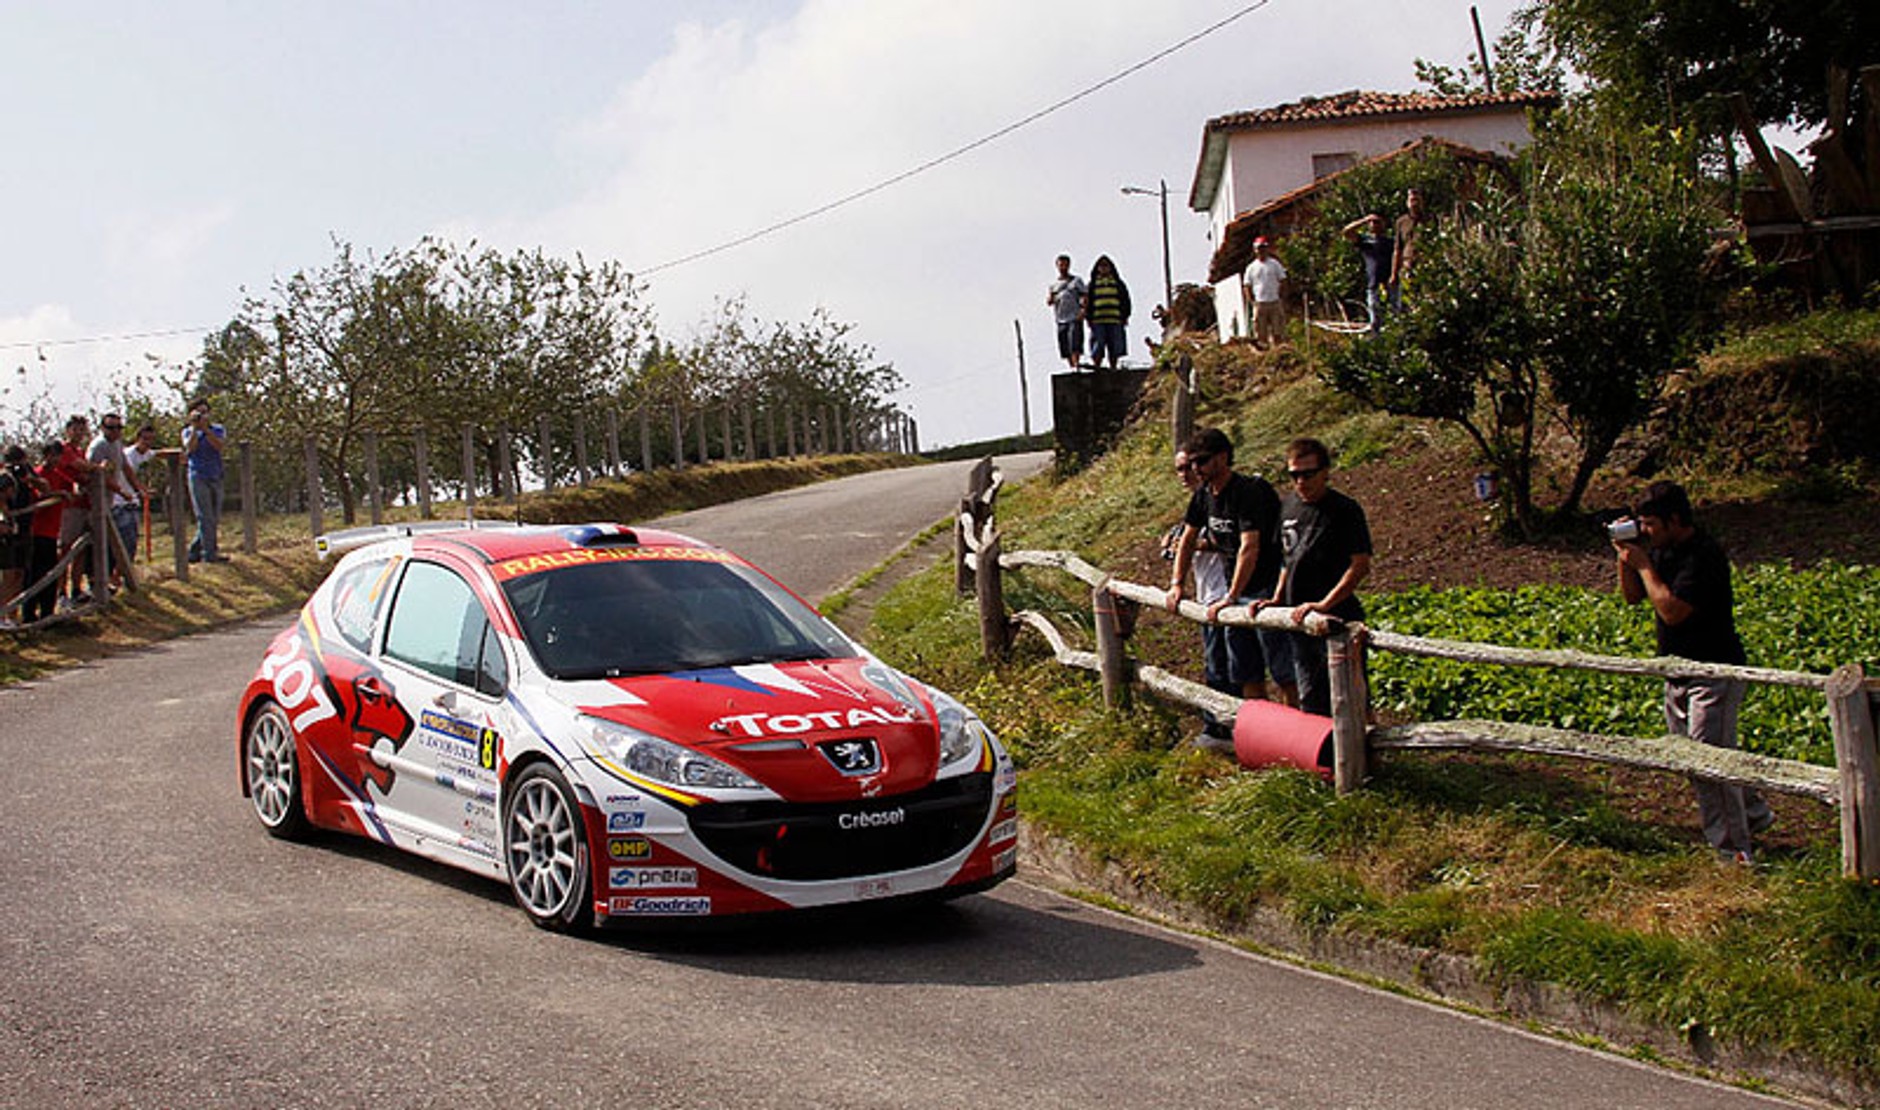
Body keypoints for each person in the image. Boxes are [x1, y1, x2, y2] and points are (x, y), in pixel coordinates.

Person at [1615, 480, 1773, 863]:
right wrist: (1626, 562)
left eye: (1650, 524)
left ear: (1674, 520)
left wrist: (1645, 565)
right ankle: (1754, 814)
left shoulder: (1703, 555)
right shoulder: (1662, 551)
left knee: (1709, 762)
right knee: (1698, 755)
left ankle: (1733, 853)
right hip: (1679, 671)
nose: (1645, 532)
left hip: (1714, 671)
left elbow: (1672, 610)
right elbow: (1635, 598)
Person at [1166, 428, 1293, 721]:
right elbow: (1187, 538)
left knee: (1283, 669)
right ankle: (1265, 733)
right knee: (1246, 671)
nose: (1196, 468)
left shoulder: (1248, 492)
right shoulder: (1204, 496)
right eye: (1193, 462)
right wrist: (1176, 584)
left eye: (1202, 461)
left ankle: (1296, 734)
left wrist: (1232, 595)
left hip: (1266, 586)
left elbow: (1250, 546)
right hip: (1235, 592)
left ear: (1223, 457)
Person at [1255, 437, 1371, 717]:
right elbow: (1287, 560)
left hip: (1338, 619)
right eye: (1294, 475)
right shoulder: (1288, 507)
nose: (1301, 482)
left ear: (1325, 471)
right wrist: (1277, 598)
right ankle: (1322, 758)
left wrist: (1324, 604)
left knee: (1352, 696)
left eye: (1308, 474)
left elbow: (1359, 565)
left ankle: (1364, 757)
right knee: (1311, 697)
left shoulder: (1345, 510)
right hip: (1300, 621)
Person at [88, 413, 140, 588]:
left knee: (118, 541)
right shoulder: (99, 447)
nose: (116, 431)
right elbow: (97, 474)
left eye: (119, 427)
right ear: (102, 428)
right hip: (95, 501)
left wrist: (139, 488)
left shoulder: (117, 444)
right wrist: (122, 492)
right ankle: (99, 584)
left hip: (109, 501)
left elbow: (125, 467)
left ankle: (115, 578)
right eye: (111, 427)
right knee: (101, 544)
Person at [0, 445, 45, 627]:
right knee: (8, 575)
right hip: (7, 535)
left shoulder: (26, 474)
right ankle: (2, 614)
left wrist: (29, 476)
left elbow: (43, 487)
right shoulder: (4, 478)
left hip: (22, 529)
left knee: (19, 573)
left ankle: (11, 614)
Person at [182, 398, 228, 563]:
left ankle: (194, 551)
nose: (202, 416)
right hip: (198, 475)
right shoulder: (188, 431)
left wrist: (206, 430)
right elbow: (190, 448)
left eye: (205, 412)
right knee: (204, 516)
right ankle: (210, 554)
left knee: (213, 517)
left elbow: (219, 446)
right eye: (198, 413)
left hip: (216, 475)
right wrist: (196, 429)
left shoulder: (217, 429)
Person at [26, 441, 67, 623]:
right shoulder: (38, 474)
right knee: (35, 574)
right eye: (52, 455)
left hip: (52, 531)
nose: (55, 459)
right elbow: (37, 499)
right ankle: (29, 614)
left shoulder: (57, 475)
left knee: (51, 574)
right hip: (38, 532)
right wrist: (57, 494)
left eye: (58, 455)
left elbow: (72, 486)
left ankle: (47, 613)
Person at [1341, 213, 1395, 334]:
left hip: (1390, 284)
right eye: (1372, 222)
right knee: (1375, 319)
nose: (1374, 225)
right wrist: (1364, 220)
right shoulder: (1365, 241)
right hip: (1373, 285)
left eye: (1377, 222)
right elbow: (1346, 232)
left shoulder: (1391, 242)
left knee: (1394, 315)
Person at [1085, 255, 1132, 370]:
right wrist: (1088, 318)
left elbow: (1126, 300)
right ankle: (1097, 365)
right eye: (1101, 266)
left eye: (1106, 266)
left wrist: (1125, 315)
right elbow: (1087, 302)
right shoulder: (1092, 284)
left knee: (1115, 344)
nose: (1104, 269)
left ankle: (1113, 366)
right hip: (1098, 320)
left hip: (1115, 319)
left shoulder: (1118, 283)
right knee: (1098, 343)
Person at [1244, 237, 1287, 350]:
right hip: (1260, 303)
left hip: (1274, 302)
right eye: (1259, 248)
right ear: (1255, 250)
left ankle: (1278, 351)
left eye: (1263, 248)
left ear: (1267, 248)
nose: (1261, 251)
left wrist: (1280, 296)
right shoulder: (1251, 268)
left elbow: (1283, 280)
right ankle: (1265, 353)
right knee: (1260, 332)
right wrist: (1252, 301)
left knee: (1278, 330)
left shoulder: (1275, 264)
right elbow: (1247, 285)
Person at [1046, 254, 1087, 371]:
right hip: (1060, 318)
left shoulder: (1076, 281)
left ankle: (1076, 365)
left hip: (1074, 316)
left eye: (1065, 264)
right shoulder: (1054, 285)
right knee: (1064, 344)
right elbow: (1049, 301)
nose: (1063, 267)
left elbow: (1084, 295)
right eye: (1060, 265)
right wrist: (1051, 298)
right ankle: (1071, 366)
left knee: (1075, 342)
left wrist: (1083, 311)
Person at [1390, 187, 1426, 309]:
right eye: (1411, 200)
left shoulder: (1430, 220)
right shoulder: (1401, 222)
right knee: (1407, 299)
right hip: (1407, 265)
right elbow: (1397, 249)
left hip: (1425, 266)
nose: (1414, 203)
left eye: (1417, 200)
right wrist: (1394, 273)